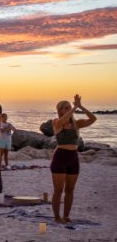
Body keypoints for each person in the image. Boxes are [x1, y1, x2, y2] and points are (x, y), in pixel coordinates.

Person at [50, 95, 96, 223]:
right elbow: (62, 121)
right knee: (58, 191)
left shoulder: (77, 124)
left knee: (70, 190)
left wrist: (80, 106)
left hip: (73, 158)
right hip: (60, 158)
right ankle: (57, 217)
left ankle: (66, 216)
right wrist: (74, 107)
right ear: (60, 111)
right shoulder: (56, 122)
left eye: (69, 107)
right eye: (66, 108)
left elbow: (93, 119)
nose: (69, 109)